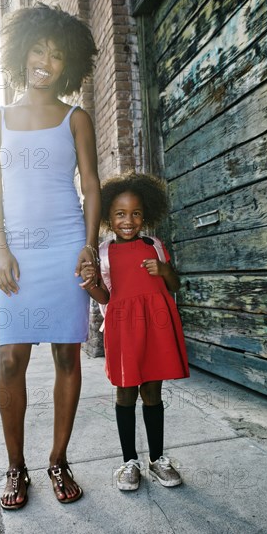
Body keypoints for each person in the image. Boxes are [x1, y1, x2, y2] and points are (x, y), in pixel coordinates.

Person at [0, 3, 100, 509]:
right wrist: (0, 249)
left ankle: (58, 460)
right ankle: (15, 467)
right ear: (20, 52)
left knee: (66, 355)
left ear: (68, 63)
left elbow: (91, 186)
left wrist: (89, 246)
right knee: (12, 360)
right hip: (18, 256)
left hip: (65, 247)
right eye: (38, 50)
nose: (46, 62)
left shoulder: (77, 118)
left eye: (56, 55)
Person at [80, 171, 189, 491]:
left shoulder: (154, 245)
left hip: (156, 327)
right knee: (125, 393)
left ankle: (157, 460)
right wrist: (91, 287)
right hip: (123, 328)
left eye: (136, 213)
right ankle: (129, 462)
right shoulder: (103, 252)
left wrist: (165, 269)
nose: (129, 220)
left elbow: (175, 286)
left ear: (146, 214)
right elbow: (107, 298)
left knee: (152, 393)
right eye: (120, 214)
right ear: (108, 218)